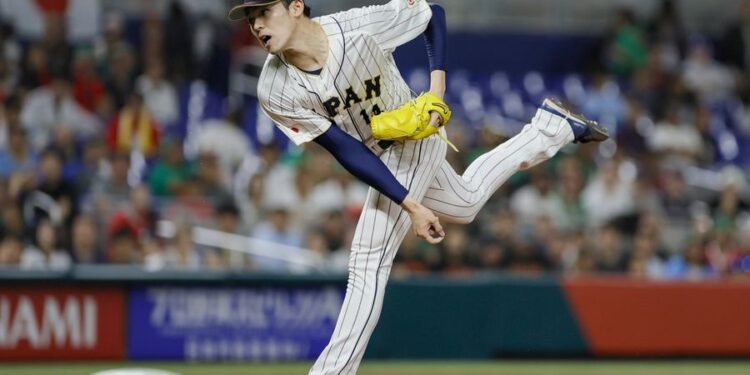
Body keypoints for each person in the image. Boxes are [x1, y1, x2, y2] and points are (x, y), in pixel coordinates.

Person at [228, 0, 608, 373]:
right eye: (250, 18)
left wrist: (436, 91)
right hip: (376, 153)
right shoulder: (274, 89)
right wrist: (411, 204)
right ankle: (550, 128)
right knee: (466, 202)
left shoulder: (358, 26)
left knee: (367, 259)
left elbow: (432, 14)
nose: (257, 25)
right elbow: (345, 149)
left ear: (296, 6)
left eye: (264, 11)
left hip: (414, 137)